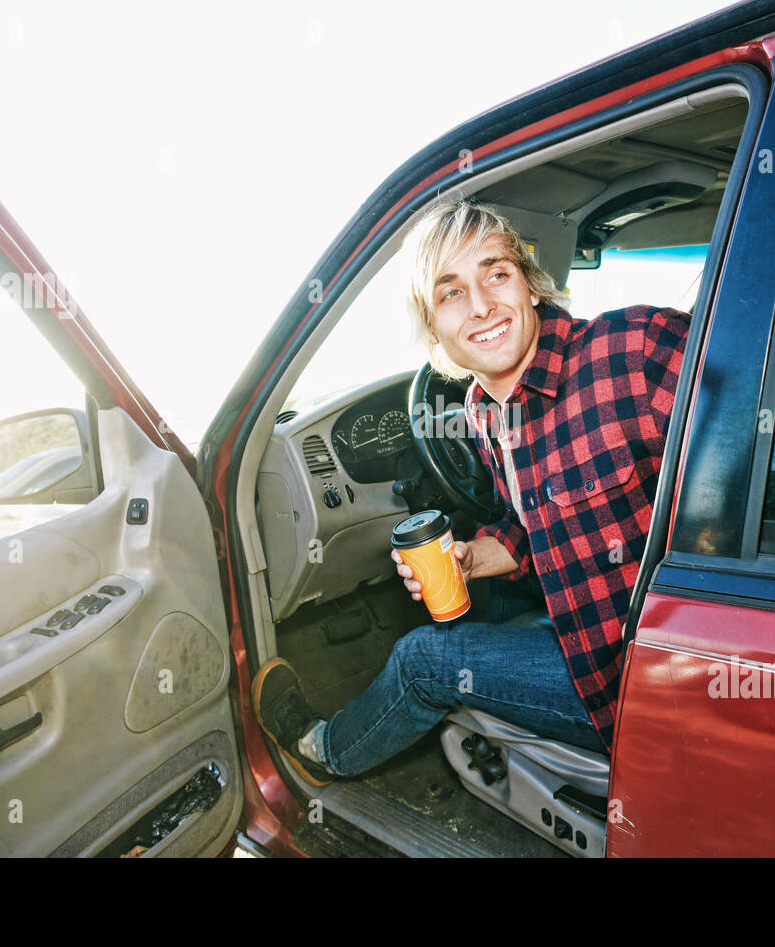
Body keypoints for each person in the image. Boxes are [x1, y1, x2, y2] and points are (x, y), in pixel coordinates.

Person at [252, 199, 690, 786]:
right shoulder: (483, 411)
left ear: (532, 287)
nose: (481, 305)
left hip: (651, 692)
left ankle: (322, 752)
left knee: (420, 660)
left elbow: (773, 465)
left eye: (496, 274)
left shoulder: (634, 351)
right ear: (433, 326)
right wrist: (469, 558)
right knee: (493, 602)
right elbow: (531, 524)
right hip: (597, 632)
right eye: (450, 292)